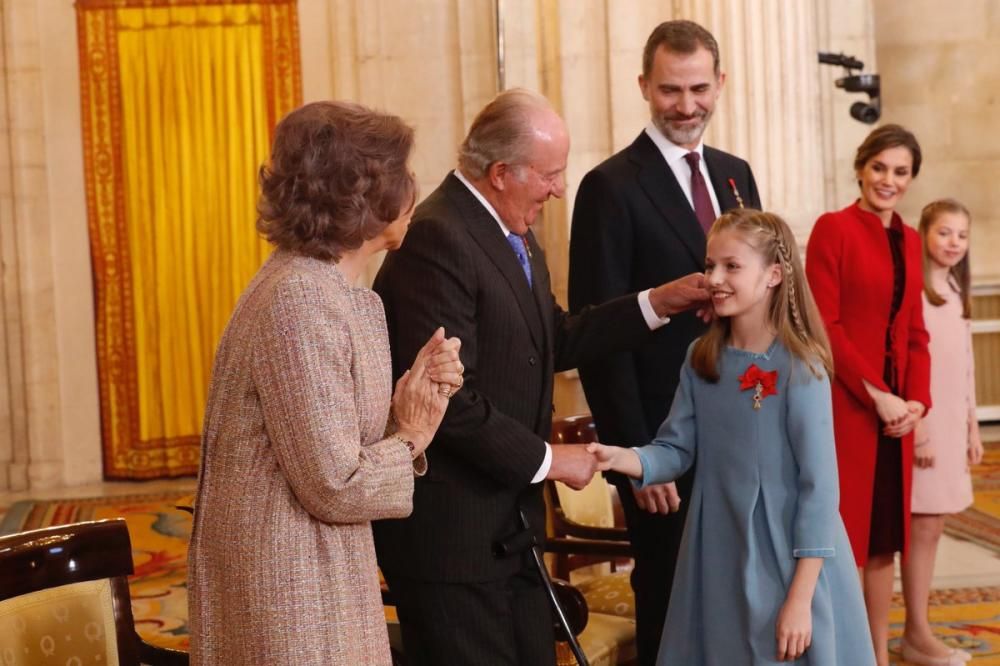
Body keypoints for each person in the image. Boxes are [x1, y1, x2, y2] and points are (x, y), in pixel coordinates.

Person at [372, 88, 710, 666]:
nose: (559, 190)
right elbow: (447, 399)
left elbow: (557, 337)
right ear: (501, 172)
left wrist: (659, 302)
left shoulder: (513, 231)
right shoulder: (438, 235)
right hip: (453, 540)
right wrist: (553, 460)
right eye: (550, 175)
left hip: (507, 530)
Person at [187, 101, 464, 666]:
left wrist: (419, 403)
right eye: (403, 175)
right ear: (363, 196)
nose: (415, 189)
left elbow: (331, 445)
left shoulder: (332, 292)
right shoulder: (301, 301)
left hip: (319, 569)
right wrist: (409, 438)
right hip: (290, 588)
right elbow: (335, 484)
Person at [588, 208, 874, 665]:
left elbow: (819, 489)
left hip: (788, 554)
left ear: (774, 275)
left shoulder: (801, 367)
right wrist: (621, 457)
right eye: (709, 265)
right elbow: (675, 449)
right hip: (717, 546)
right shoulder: (703, 358)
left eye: (731, 266)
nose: (714, 278)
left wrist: (801, 599)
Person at [568, 19, 761, 664]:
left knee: (741, 592)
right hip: (660, 443)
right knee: (672, 601)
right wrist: (637, 454)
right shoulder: (609, 186)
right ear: (644, 86)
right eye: (671, 90)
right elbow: (596, 333)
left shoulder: (736, 176)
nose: (687, 106)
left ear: (720, 83)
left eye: (699, 88)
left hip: (740, 428)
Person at [805, 124, 931, 666]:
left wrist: (917, 403)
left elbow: (917, 333)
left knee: (883, 544)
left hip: (895, 417)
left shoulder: (912, 238)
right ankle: (836, 654)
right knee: (840, 540)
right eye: (880, 167)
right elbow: (824, 325)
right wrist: (876, 394)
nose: (888, 180)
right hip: (845, 408)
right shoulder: (833, 228)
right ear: (861, 168)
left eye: (900, 172)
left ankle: (877, 655)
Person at [900, 198, 982, 665]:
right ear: (924, 234)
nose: (953, 243)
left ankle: (919, 626)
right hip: (924, 425)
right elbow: (913, 364)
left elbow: (964, 366)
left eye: (961, 235)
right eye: (944, 233)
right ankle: (917, 630)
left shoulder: (954, 286)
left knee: (934, 525)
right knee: (921, 527)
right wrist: (924, 432)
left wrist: (971, 425)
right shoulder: (915, 289)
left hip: (952, 423)